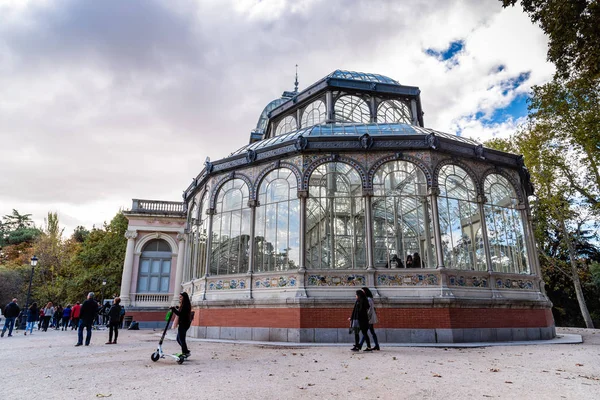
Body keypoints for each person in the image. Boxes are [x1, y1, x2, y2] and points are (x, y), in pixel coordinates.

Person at [170, 292, 192, 358]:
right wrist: (176, 308)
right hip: (183, 323)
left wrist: (173, 309)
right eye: (179, 297)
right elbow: (180, 311)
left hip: (184, 324)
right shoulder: (183, 304)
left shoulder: (186, 305)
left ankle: (185, 352)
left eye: (181, 297)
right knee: (178, 338)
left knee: (181, 339)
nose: (180, 298)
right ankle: (186, 351)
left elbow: (180, 314)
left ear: (184, 297)